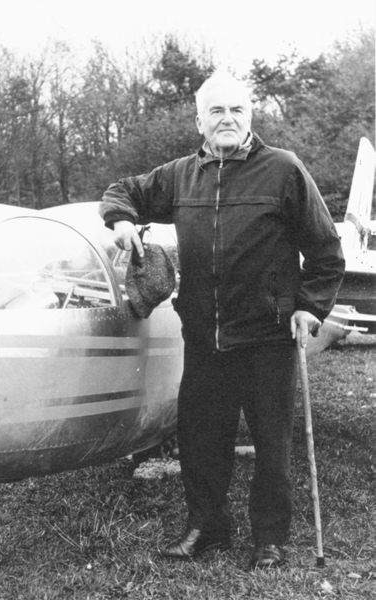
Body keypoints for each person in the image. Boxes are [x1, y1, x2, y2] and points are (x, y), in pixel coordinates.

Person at [99, 73, 345, 569]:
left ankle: (270, 540)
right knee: (200, 440)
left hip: (268, 335)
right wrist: (121, 219)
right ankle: (207, 528)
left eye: (236, 110)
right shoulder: (181, 175)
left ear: (250, 117)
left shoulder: (283, 170)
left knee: (272, 445)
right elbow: (122, 190)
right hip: (204, 335)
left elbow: (326, 251)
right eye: (216, 112)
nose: (227, 119)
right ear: (200, 121)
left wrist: (309, 306)